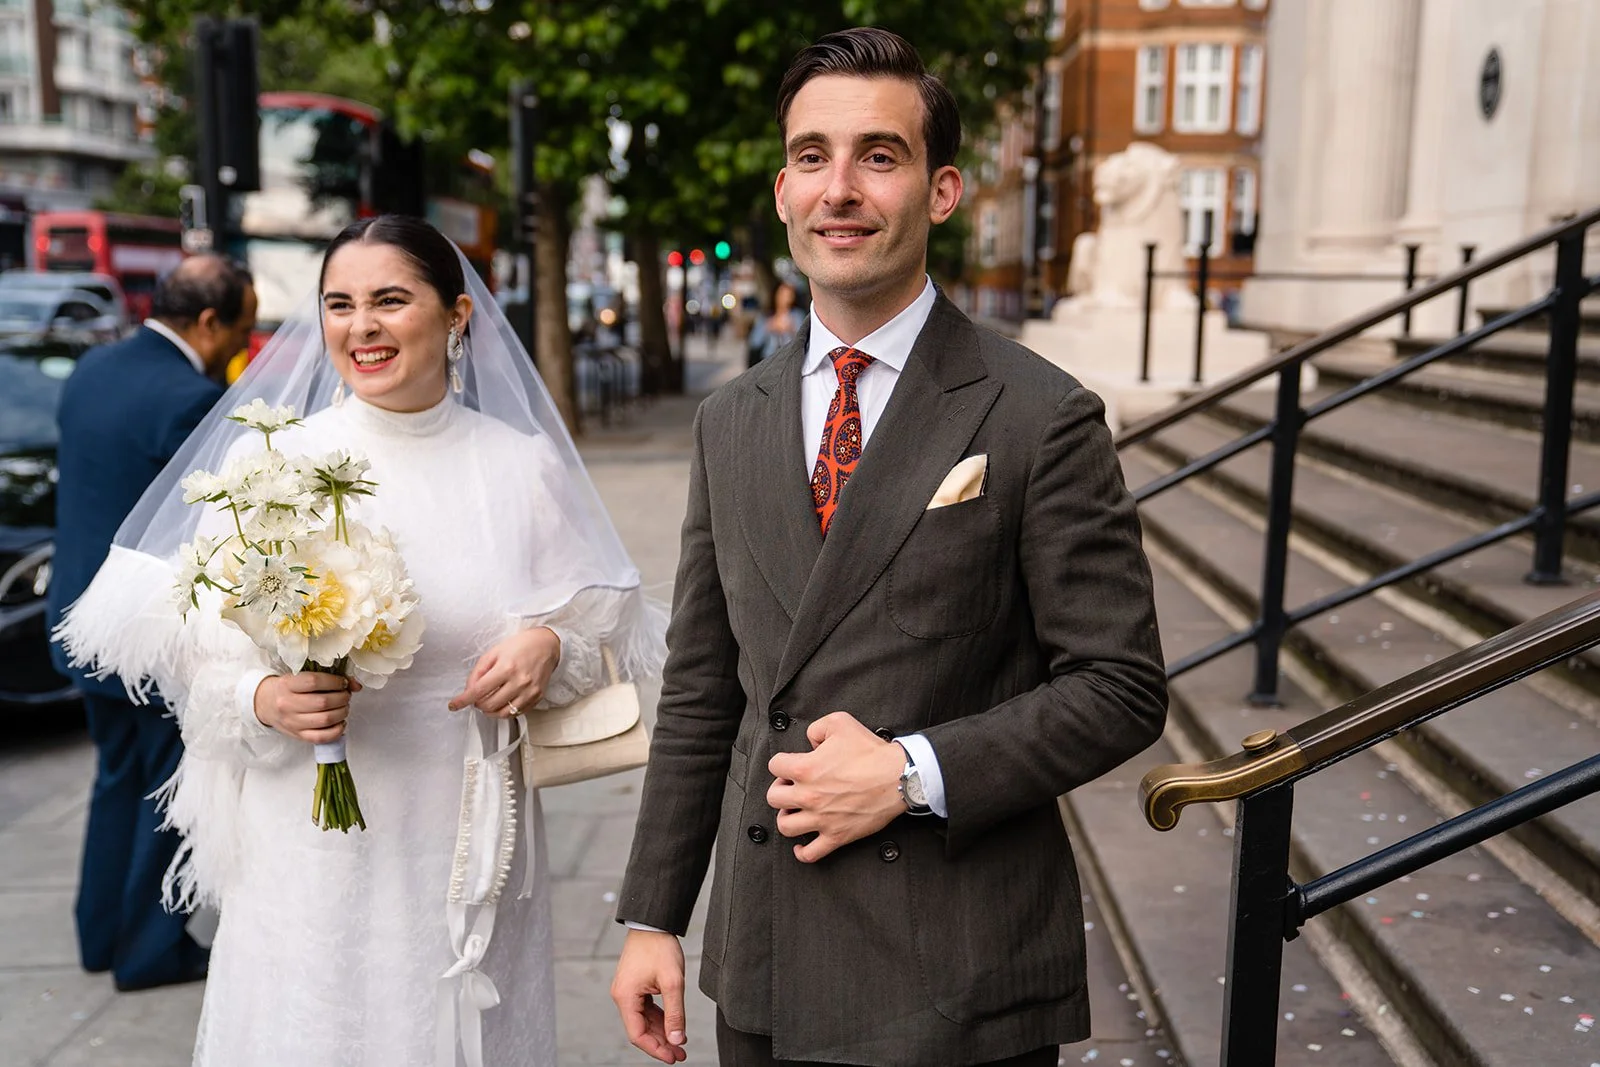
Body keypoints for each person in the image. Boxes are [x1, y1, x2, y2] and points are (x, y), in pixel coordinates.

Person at [611, 28, 1167, 1067]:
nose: (841, 190)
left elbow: (1120, 685)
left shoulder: (1040, 414)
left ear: (941, 190)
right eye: (813, 157)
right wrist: (653, 913)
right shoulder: (729, 419)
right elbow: (701, 688)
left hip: (955, 972)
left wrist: (912, 772)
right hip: (767, 957)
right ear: (782, 191)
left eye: (879, 154)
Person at [56, 216, 666, 1066]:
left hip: (460, 843)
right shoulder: (276, 463)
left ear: (456, 316)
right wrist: (263, 696)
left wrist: (550, 647)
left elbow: (599, 632)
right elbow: (199, 666)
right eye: (339, 304)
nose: (361, 326)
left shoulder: (521, 466)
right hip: (311, 858)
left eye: (390, 299)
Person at [48, 254, 257, 992]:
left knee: (116, 780)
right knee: (169, 789)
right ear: (208, 321)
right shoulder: (192, 398)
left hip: (80, 618)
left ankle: (100, 933)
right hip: (151, 637)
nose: (244, 337)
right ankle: (147, 952)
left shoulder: (93, 370)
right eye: (242, 322)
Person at [746, 281, 805, 367]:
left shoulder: (797, 315)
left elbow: (803, 338)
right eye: (782, 294)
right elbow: (754, 342)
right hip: (768, 360)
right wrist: (769, 326)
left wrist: (790, 328)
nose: (785, 298)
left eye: (789, 295)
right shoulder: (766, 317)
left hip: (789, 360)